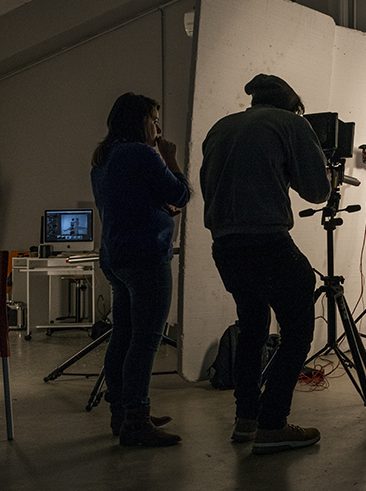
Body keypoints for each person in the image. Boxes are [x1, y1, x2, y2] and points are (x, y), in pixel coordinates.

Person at [201, 74, 331, 455]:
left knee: (252, 327)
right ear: (292, 104)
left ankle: (246, 420)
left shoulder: (220, 127)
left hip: (225, 245)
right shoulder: (292, 123)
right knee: (297, 333)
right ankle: (273, 424)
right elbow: (317, 191)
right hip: (268, 241)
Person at [91, 92, 190, 447]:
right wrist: (171, 158)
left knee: (123, 335)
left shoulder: (104, 157)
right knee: (145, 340)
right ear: (139, 121)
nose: (158, 127)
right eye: (153, 119)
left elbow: (128, 202)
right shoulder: (141, 153)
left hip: (115, 257)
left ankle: (122, 411)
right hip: (146, 257)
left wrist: (157, 207)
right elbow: (181, 193)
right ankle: (137, 419)